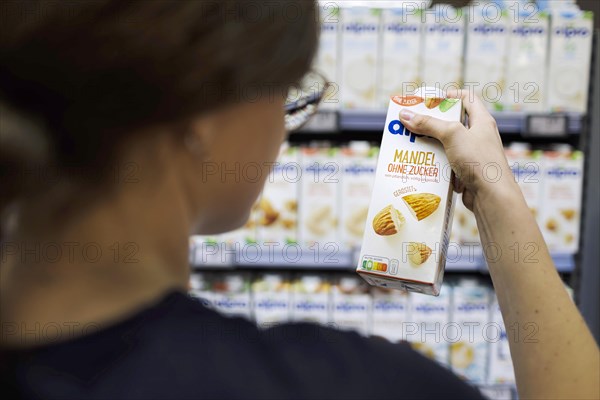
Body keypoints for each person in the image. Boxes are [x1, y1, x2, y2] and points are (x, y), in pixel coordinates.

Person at [0, 1, 598, 399]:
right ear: (204, 113)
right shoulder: (341, 386)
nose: (283, 125)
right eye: (288, 91)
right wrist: (496, 197)